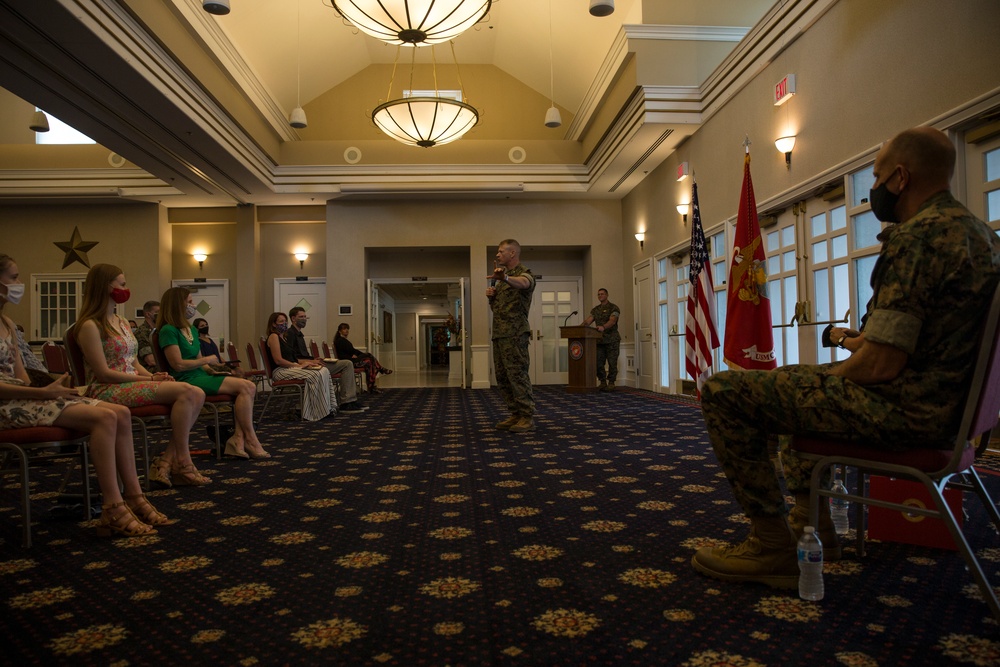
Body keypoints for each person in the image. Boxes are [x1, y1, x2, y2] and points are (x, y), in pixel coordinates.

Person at [691, 127, 1000, 589]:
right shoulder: (980, 236)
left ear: (900, 177)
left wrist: (824, 375)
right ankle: (814, 526)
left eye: (875, 175)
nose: (873, 187)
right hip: (950, 414)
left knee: (722, 390)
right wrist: (815, 377)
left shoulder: (918, 237)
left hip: (906, 413)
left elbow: (879, 366)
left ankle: (772, 543)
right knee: (796, 385)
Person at [0, 255, 168, 537]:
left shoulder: (6, 322)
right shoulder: (90, 324)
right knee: (103, 417)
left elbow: (23, 378)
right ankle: (113, 506)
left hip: (21, 396)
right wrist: (43, 394)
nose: (19, 284)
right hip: (5, 404)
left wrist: (51, 388)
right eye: (14, 278)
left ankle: (135, 496)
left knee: (120, 413)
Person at [76, 264, 211, 488]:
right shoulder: (90, 325)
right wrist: (150, 380)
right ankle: (182, 462)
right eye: (122, 284)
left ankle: (169, 460)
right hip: (106, 388)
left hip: (131, 383)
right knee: (190, 392)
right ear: (105, 287)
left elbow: (134, 361)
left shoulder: (120, 322)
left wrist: (154, 375)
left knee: (195, 394)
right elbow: (103, 373)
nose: (126, 289)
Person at [158, 288, 269, 459]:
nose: (192, 306)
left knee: (247, 386)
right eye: (188, 302)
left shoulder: (191, 330)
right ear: (177, 305)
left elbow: (202, 362)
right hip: (185, 379)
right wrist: (206, 361)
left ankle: (239, 438)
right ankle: (249, 439)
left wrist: (215, 371)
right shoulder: (168, 330)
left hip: (201, 375)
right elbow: (178, 364)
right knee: (247, 388)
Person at [486, 239, 536, 433]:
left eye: (501, 252)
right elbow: (498, 308)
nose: (497, 255)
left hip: (515, 334)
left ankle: (527, 416)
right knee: (503, 377)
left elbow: (524, 284)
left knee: (517, 374)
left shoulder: (524, 274)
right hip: (499, 334)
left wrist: (505, 278)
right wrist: (492, 296)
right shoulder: (500, 279)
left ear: (512, 253)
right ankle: (515, 413)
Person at [286, 308, 367, 411]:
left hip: (311, 363)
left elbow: (302, 355)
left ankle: (350, 400)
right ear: (293, 318)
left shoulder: (299, 334)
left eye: (305, 316)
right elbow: (292, 358)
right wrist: (312, 361)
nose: (304, 319)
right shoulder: (290, 334)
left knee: (347, 363)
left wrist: (315, 359)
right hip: (305, 367)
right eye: (301, 317)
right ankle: (347, 401)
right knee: (347, 364)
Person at [264, 311, 338, 421]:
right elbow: (278, 360)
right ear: (274, 324)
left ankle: (329, 407)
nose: (284, 324)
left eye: (285, 321)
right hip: (280, 370)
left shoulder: (283, 337)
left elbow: (293, 358)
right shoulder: (273, 337)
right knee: (313, 375)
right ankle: (312, 412)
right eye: (281, 321)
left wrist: (307, 362)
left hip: (289, 367)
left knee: (324, 370)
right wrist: (297, 365)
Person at [333, 322, 392, 394]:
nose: (347, 330)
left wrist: (358, 354)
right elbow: (346, 353)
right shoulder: (340, 341)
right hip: (348, 362)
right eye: (344, 329)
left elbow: (352, 351)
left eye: (347, 329)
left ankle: (372, 385)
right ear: (340, 331)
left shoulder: (343, 340)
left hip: (351, 360)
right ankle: (375, 378)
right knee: (369, 359)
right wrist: (358, 355)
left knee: (369, 361)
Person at [580, 288, 621, 391]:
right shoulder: (596, 310)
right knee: (598, 363)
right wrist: (579, 328)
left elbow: (612, 321)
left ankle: (611, 383)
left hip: (612, 340)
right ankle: (602, 382)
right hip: (599, 341)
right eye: (598, 294)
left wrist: (603, 327)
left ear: (607, 295)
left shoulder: (614, 308)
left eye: (602, 294)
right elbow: (588, 321)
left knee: (612, 362)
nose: (600, 296)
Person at [134, 300, 159, 373]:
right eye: (158, 312)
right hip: (149, 371)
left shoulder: (157, 331)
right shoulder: (141, 332)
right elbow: (151, 360)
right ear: (148, 314)